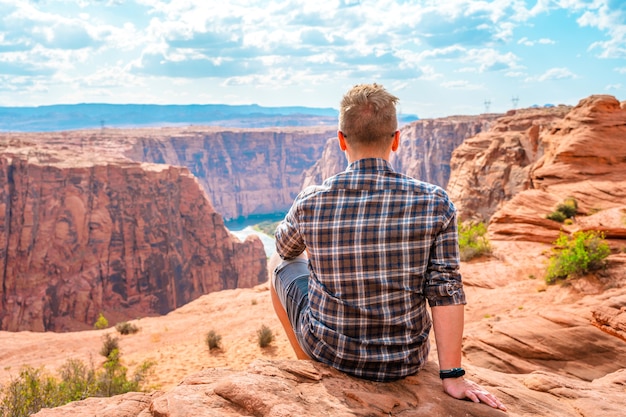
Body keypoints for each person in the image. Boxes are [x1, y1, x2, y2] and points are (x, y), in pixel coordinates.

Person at [270, 83, 506, 411]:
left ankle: (312, 367)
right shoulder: (435, 202)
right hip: (405, 360)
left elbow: (284, 248)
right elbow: (445, 290)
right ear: (396, 139)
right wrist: (452, 376)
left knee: (279, 267)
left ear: (341, 140)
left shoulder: (312, 201)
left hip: (332, 352)